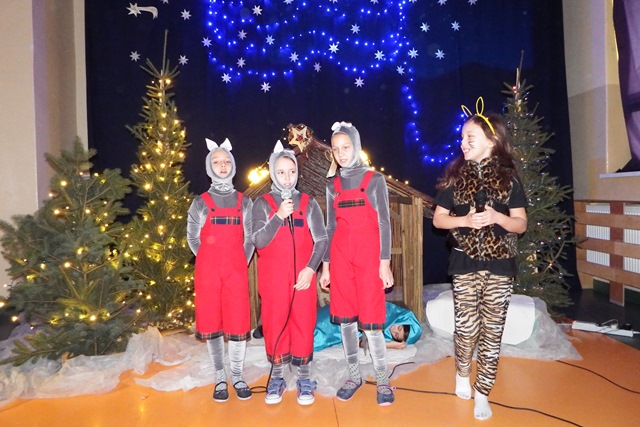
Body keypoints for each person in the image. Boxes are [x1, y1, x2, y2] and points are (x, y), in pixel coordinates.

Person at [432, 98, 528, 421]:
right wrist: (465, 221)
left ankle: (483, 391)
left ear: (491, 140)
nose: (463, 143)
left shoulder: (509, 179)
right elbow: (438, 219)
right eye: (461, 138)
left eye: (469, 137)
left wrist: (497, 217)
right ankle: (462, 371)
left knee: (493, 330)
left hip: (500, 263)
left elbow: (521, 224)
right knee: (467, 327)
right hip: (464, 260)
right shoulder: (455, 177)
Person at [319, 121, 396, 406]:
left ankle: (383, 379)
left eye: (346, 147)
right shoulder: (332, 186)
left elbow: (384, 223)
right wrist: (326, 266)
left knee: (372, 322)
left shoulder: (375, 180)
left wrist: (384, 263)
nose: (341, 153)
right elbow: (330, 227)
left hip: (369, 260)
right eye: (336, 149)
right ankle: (354, 376)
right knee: (347, 320)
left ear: (357, 146)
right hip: (341, 260)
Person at [250, 141, 328, 406]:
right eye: (281, 172)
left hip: (303, 279)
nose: (287, 177)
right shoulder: (262, 204)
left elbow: (321, 239)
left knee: (304, 324)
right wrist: (279, 216)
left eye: (291, 171)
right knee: (275, 325)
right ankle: (277, 377)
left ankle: (304, 378)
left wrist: (311, 268)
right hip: (273, 280)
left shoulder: (308, 203)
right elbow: (258, 240)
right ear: (273, 173)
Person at [186, 138, 254, 403]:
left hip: (236, 272)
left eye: (226, 161)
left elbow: (249, 239)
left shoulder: (244, 202)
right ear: (209, 167)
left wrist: (239, 261)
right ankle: (219, 378)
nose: (222, 166)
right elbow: (192, 238)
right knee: (212, 324)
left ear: (233, 165)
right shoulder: (200, 203)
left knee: (237, 323)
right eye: (217, 162)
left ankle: (237, 376)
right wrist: (208, 259)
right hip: (208, 274)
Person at [313, 302, 423, 352]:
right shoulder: (386, 310)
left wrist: (389, 345)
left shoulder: (385, 334)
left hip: (340, 329)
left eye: (396, 335)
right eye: (399, 328)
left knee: (316, 339)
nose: (394, 330)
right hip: (341, 314)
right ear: (401, 319)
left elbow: (360, 343)